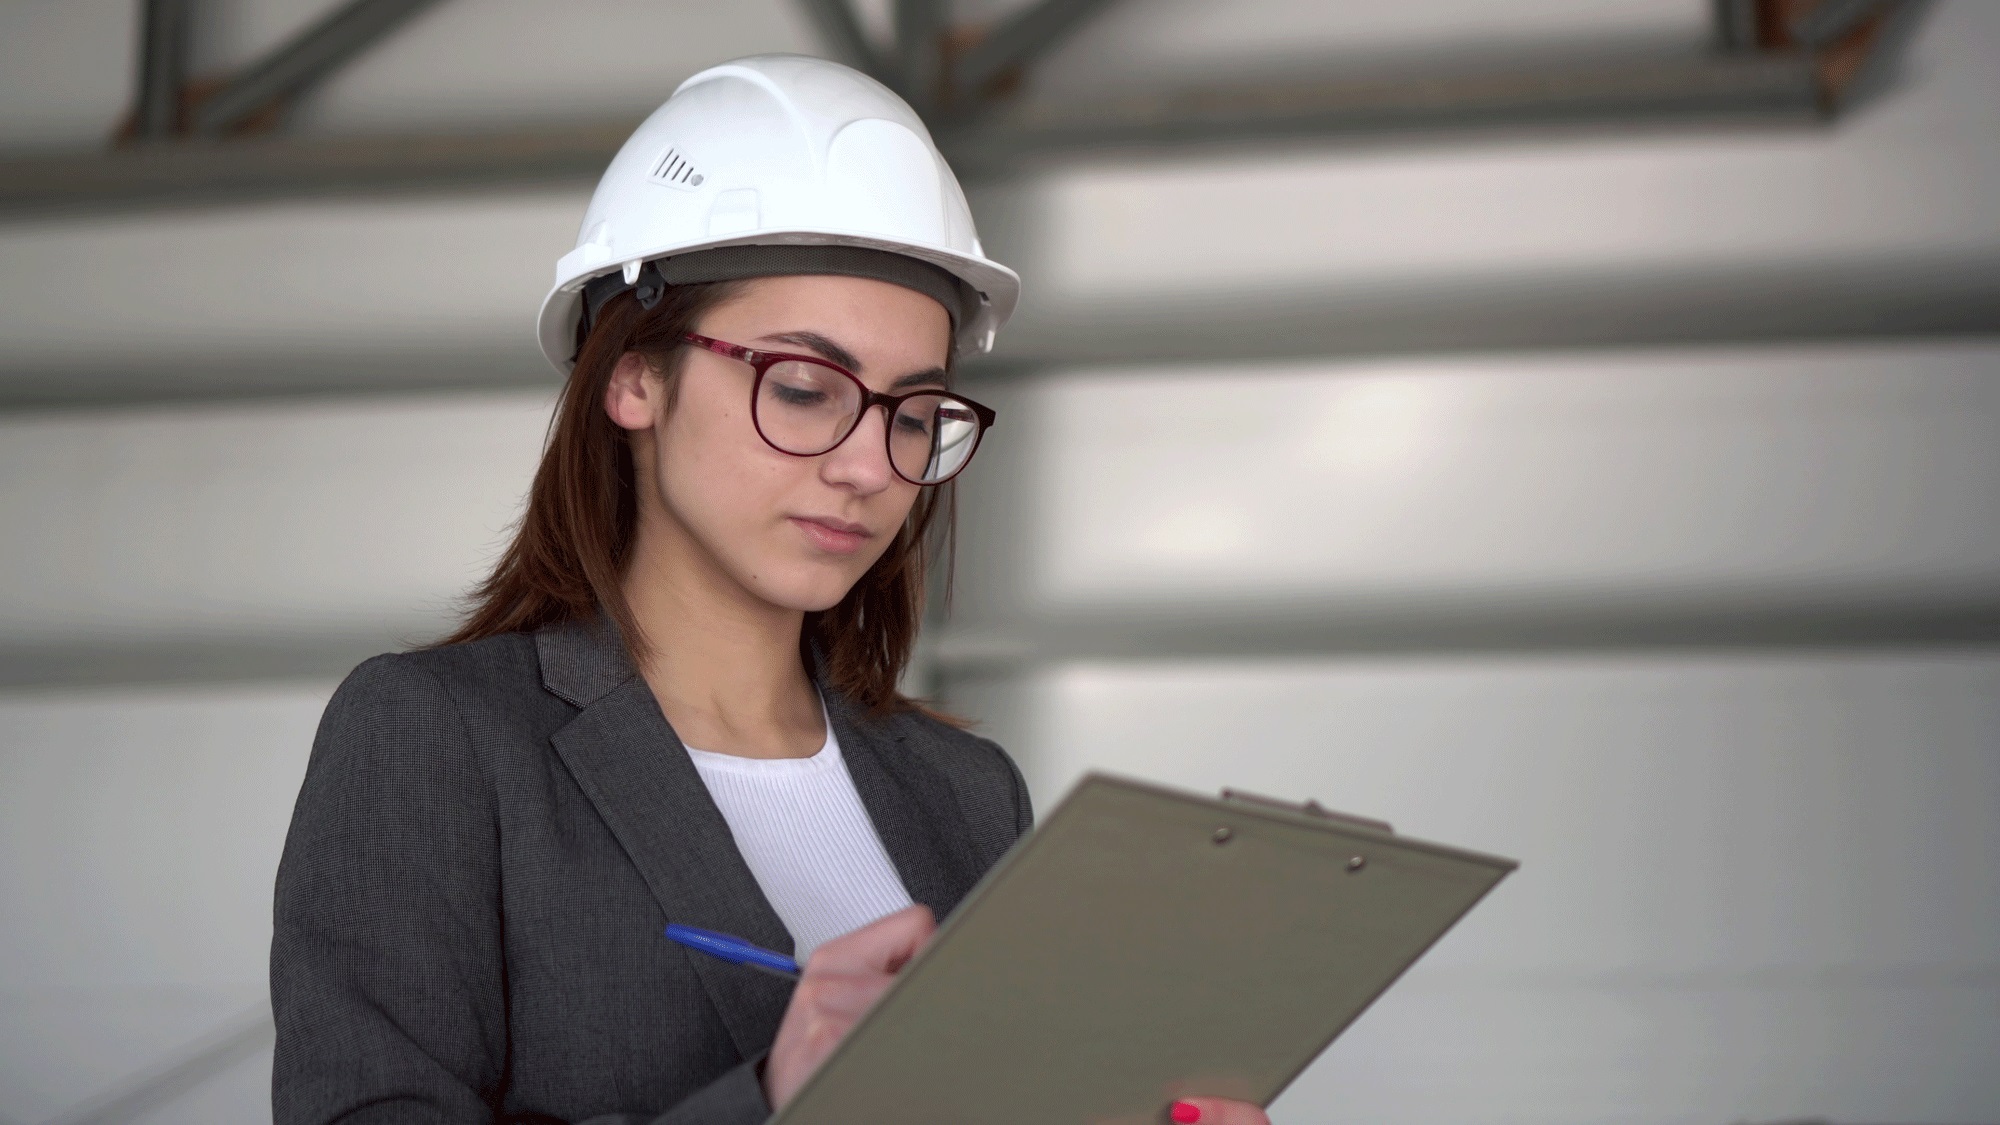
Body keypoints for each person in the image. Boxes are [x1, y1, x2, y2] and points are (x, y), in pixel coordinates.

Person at [270, 54, 1270, 1125]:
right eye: (802, 389)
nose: (867, 465)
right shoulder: (441, 740)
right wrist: (767, 1103)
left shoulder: (966, 795)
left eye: (912, 413)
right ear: (632, 377)